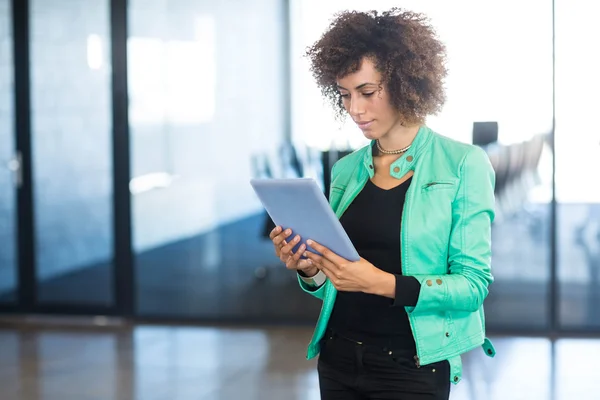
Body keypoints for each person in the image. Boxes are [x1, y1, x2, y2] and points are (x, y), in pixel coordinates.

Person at [269, 8, 496, 400]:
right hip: (338, 359)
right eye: (345, 95)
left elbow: (473, 286)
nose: (354, 109)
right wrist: (310, 269)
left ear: (406, 83)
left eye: (367, 92)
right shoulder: (346, 171)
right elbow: (334, 283)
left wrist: (384, 284)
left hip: (411, 368)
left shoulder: (462, 164)